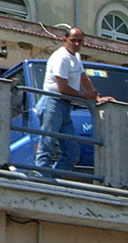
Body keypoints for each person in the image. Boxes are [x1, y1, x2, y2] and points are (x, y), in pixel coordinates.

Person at [35, 27, 114, 172]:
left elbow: (84, 78)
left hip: (65, 105)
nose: (76, 44)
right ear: (65, 40)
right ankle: (42, 178)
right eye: (73, 40)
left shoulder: (76, 57)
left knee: (72, 152)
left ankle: (52, 178)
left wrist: (97, 98)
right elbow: (63, 88)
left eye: (79, 41)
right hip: (53, 102)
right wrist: (85, 96)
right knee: (47, 144)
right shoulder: (61, 57)